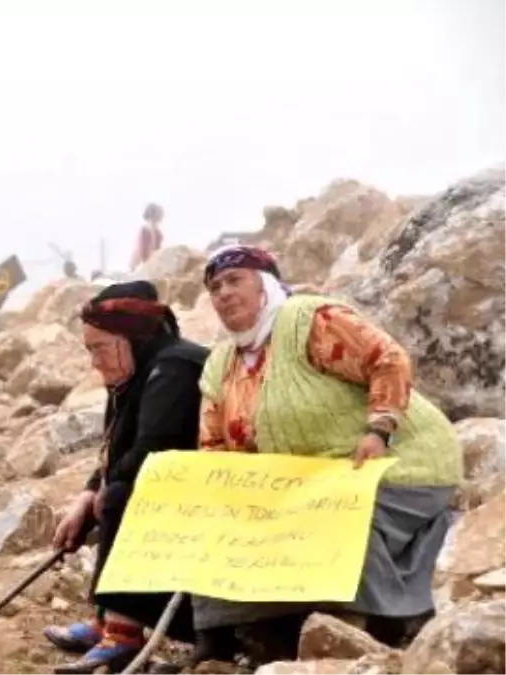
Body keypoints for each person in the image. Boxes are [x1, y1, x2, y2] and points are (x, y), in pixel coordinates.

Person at [191, 245, 462, 663]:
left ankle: (365, 628)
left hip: (397, 459)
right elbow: (213, 446)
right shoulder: (220, 365)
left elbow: (387, 360)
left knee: (336, 517)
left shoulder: (310, 320)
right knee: (223, 522)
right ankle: (222, 643)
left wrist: (379, 428)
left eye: (234, 281)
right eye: (214, 287)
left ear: (265, 285)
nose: (223, 293)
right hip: (309, 481)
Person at [43, 280, 209, 674]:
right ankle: (108, 620)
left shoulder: (174, 368)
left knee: (119, 494)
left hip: (198, 505)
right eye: (90, 350)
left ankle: (123, 632)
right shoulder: (136, 373)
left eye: (100, 347)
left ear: (131, 338)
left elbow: (153, 449)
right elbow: (117, 451)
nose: (94, 361)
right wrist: (87, 494)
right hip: (168, 499)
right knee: (108, 493)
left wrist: (103, 490)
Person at [129, 203, 164, 271]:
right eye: (159, 213)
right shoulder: (143, 231)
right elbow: (140, 252)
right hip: (139, 265)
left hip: (151, 265)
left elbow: (157, 251)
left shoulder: (158, 233)